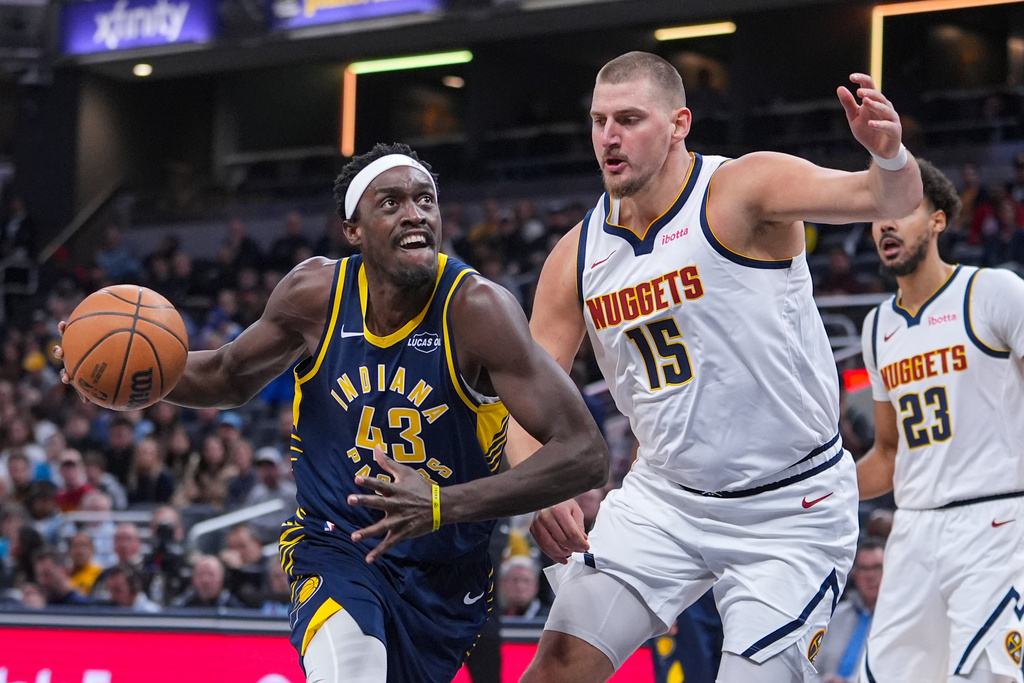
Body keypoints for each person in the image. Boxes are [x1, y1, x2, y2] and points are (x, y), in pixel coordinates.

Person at [57, 141, 608, 682]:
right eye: (390, 203)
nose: (415, 213)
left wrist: (443, 504)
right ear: (353, 229)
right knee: (352, 670)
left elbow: (584, 453)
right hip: (334, 543)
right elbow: (228, 374)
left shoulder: (477, 309)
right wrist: (132, 378)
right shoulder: (315, 294)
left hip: (443, 571)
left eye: (425, 200)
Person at [503, 51, 922, 683]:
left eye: (629, 119)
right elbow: (527, 396)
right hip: (664, 500)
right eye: (598, 121)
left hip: (791, 505)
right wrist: (539, 481)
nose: (609, 137)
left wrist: (889, 156)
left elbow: (882, 195)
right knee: (556, 668)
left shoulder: (742, 189)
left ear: (678, 124)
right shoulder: (576, 255)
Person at [856, 159, 1024, 683]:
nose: (886, 224)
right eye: (878, 214)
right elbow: (887, 456)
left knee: (983, 676)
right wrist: (806, 490)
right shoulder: (877, 325)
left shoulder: (994, 292)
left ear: (937, 220)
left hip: (996, 520)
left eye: (902, 210)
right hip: (914, 530)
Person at [812, 536, 884, 683]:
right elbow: (811, 667)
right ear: (855, 575)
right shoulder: (833, 615)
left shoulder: (897, 619)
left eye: (877, 567)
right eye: (864, 569)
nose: (870, 576)